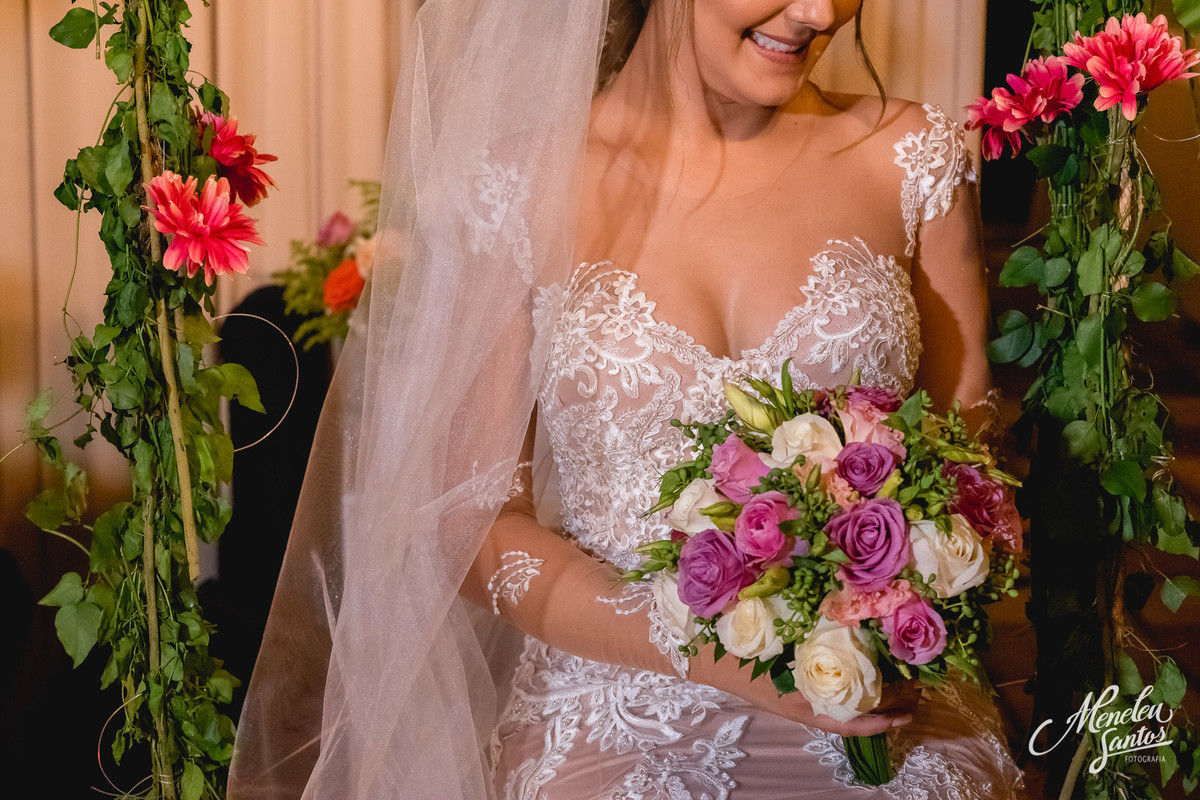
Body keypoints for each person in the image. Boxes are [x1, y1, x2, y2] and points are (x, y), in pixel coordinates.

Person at [229, 1, 1026, 798]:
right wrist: (691, 647)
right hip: (610, 702)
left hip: (885, 704)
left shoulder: (909, 156)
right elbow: (470, 521)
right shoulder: (517, 185)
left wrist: (926, 569)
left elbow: (964, 466)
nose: (819, 13)